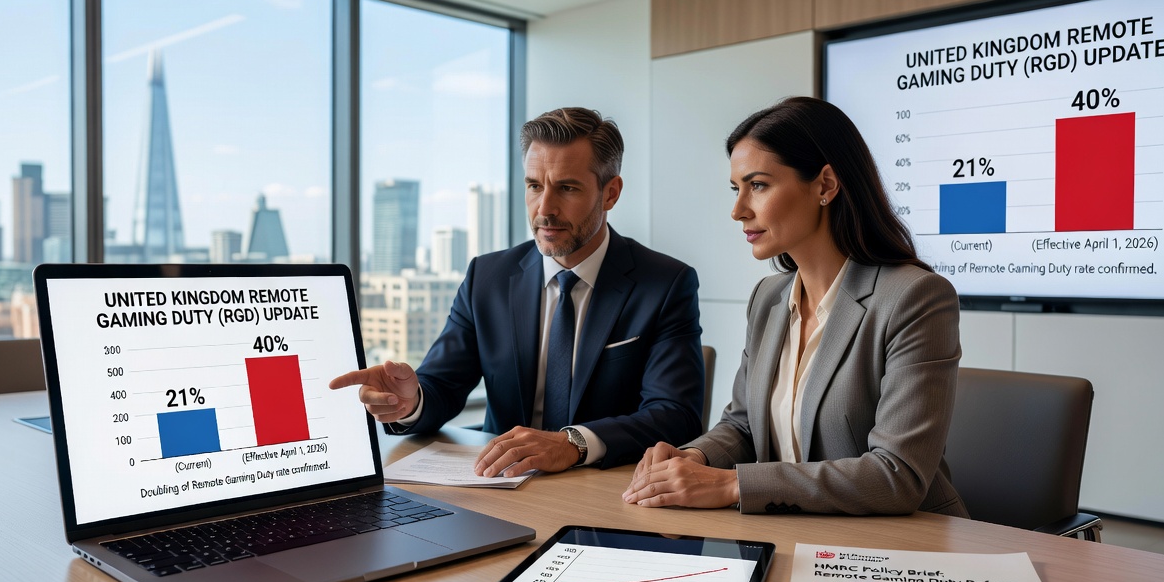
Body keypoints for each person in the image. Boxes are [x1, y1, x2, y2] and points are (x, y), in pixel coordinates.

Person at [623, 97, 968, 517]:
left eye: (759, 185)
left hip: (900, 548)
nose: (737, 210)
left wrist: (732, 484)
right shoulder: (768, 298)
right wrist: (692, 460)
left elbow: (896, 475)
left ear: (825, 185)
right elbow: (744, 426)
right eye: (736, 189)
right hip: (793, 532)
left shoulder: (915, 297)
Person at [332, 107, 705, 477]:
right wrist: (408, 400)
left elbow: (675, 414)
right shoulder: (488, 277)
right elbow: (442, 385)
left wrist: (572, 443)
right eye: (534, 186)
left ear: (610, 193)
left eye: (567, 188)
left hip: (607, 490)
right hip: (502, 486)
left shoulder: (665, 283)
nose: (545, 209)